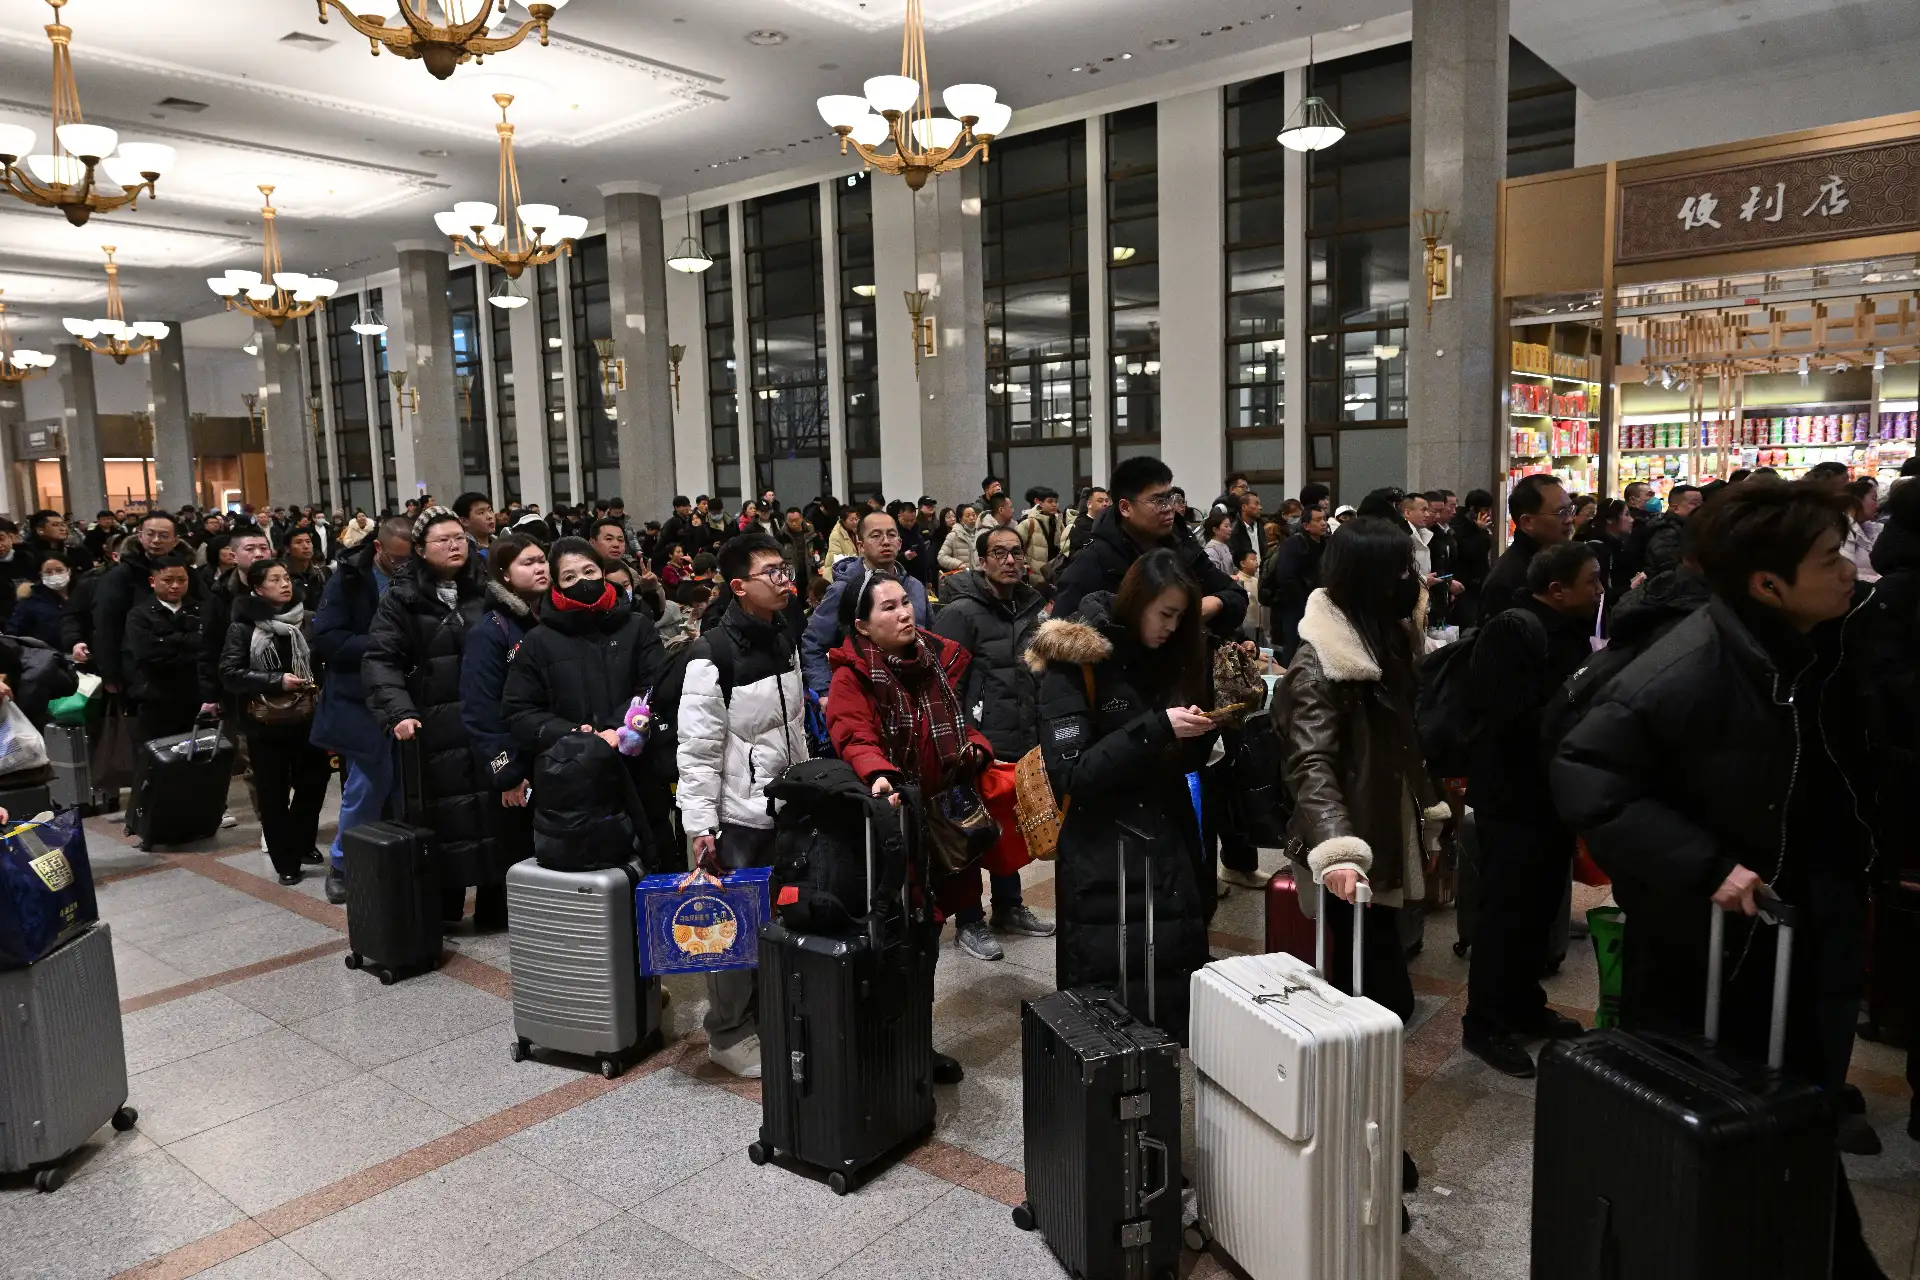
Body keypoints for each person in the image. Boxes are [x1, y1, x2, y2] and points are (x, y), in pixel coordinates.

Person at [1553, 479, 1895, 1280]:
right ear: (1767, 584)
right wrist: (1705, 866)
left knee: (1782, 1120)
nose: (1849, 567)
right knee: (1724, 1120)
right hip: (1716, 943)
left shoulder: (1800, 645)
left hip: (1783, 917)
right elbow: (1583, 771)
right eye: (1828, 557)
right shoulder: (1696, 660)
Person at [1030, 549, 1219, 1042]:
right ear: (1138, 602)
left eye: (1182, 617)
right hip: (1102, 857)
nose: (1173, 627)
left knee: (1169, 996)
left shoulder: (1169, 656)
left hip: (1167, 844)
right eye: (1166, 614)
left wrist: (1201, 736)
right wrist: (1158, 727)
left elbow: (1173, 762)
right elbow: (1072, 772)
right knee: (1105, 1014)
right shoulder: (1077, 661)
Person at [1275, 516, 1447, 1029]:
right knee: (1367, 965)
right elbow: (1310, 762)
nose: (1411, 583)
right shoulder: (1320, 663)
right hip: (1351, 824)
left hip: (1385, 809)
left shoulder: (1386, 639)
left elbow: (1402, 739)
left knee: (1380, 943)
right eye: (1400, 572)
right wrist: (1339, 849)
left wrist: (1427, 812)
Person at [824, 571, 990, 1086]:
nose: (905, 614)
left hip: (938, 821)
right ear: (863, 626)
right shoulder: (853, 675)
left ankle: (917, 1041)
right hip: (890, 826)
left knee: (926, 935)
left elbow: (956, 723)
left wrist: (976, 746)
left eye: (906, 603)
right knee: (888, 938)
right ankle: (877, 1047)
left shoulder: (933, 663)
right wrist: (878, 771)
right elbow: (851, 731)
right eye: (889, 608)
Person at [1460, 541, 1604, 1076]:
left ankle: (1524, 1004)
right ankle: (1485, 1023)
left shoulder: (1567, 631)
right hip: (1512, 796)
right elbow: (1511, 719)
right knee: (1505, 913)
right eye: (1591, 582)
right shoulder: (1513, 629)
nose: (1599, 591)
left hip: (1551, 795)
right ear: (1557, 589)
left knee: (1541, 908)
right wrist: (1575, 704)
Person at [675, 533, 807, 1079]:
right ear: (738, 587)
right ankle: (726, 1034)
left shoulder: (783, 634)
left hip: (783, 804)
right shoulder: (712, 655)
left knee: (775, 917)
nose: (783, 580)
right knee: (729, 930)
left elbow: (793, 725)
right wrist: (701, 827)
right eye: (770, 573)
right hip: (735, 815)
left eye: (784, 569)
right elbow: (698, 750)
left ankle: (763, 1016)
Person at [363, 507, 509, 930]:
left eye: (459, 538)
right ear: (421, 550)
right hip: (434, 725)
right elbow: (380, 661)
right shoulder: (401, 597)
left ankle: (495, 909)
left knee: (494, 810)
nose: (453, 545)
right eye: (442, 540)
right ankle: (443, 909)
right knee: (445, 818)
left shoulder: (488, 590)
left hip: (487, 722)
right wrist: (399, 713)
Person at [502, 536, 669, 868]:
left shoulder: (637, 626)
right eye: (569, 577)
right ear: (557, 585)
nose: (582, 581)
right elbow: (519, 711)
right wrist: (572, 734)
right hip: (571, 780)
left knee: (653, 861)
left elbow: (655, 684)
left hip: (638, 768)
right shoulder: (538, 641)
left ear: (603, 573)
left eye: (589, 571)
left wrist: (619, 728)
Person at [930, 524, 1054, 961]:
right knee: (971, 833)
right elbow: (942, 685)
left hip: (1021, 735)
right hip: (974, 742)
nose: (1009, 560)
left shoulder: (1033, 607)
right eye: (998, 553)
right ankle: (968, 920)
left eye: (1015, 552)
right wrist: (959, 740)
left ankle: (1009, 907)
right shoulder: (961, 613)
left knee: (1009, 829)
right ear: (982, 562)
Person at [311, 516, 411, 904]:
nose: (403, 567)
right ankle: (343, 865)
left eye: (410, 560)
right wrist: (384, 645)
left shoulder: (419, 577)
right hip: (359, 696)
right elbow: (330, 640)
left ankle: (398, 856)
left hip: (408, 692)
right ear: (378, 549)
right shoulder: (348, 579)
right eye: (397, 560)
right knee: (368, 783)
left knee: (406, 783)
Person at [219, 559, 331, 886]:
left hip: (309, 717)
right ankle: (286, 859)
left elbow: (323, 661)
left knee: (314, 784)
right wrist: (276, 680)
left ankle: (303, 842)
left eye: (286, 577)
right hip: (266, 723)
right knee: (273, 792)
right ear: (256, 588)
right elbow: (230, 673)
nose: (284, 584)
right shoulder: (243, 627)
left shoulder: (307, 620)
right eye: (274, 579)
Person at [1052, 455, 1247, 638]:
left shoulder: (1183, 547)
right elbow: (1060, 638)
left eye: (1171, 498)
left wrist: (1215, 604)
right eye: (1158, 501)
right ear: (1125, 508)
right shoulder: (1094, 562)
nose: (1169, 508)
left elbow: (1235, 595)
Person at [459, 533, 547, 894]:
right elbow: (479, 707)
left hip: (548, 750)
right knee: (516, 853)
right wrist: (507, 771)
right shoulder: (492, 629)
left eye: (542, 559)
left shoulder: (549, 618)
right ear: (505, 575)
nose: (540, 567)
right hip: (516, 757)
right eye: (528, 563)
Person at [802, 509, 932, 697]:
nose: (885, 541)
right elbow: (813, 643)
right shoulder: (843, 590)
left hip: (913, 693)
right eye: (876, 536)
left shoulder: (915, 588)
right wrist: (825, 692)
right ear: (861, 546)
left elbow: (929, 637)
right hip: (861, 695)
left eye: (891, 535)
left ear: (900, 543)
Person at [93, 513, 200, 696]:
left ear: (175, 540)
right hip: (138, 667)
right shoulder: (121, 575)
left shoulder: (187, 572)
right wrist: (109, 673)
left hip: (187, 666)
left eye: (164, 536)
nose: (156, 540)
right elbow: (106, 625)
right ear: (140, 535)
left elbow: (206, 611)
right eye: (150, 534)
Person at [122, 554, 206, 747]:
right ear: (153, 581)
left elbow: (207, 648)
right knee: (159, 754)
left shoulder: (199, 610)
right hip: (156, 696)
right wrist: (187, 642)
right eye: (168, 580)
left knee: (195, 752)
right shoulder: (140, 614)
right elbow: (147, 652)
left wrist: (169, 642)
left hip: (194, 694)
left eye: (181, 580)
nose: (175, 586)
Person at [1482, 474, 1573, 612]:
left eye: (1570, 510)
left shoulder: (1558, 559)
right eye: (1561, 512)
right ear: (1527, 522)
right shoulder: (1506, 580)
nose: (1569, 519)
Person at [1262, 503, 1329, 662]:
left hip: (1319, 605)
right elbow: (1286, 577)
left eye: (1324, 519)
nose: (1323, 523)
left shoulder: (1327, 543)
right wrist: (1303, 602)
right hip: (1294, 606)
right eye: (1318, 520)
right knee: (1292, 649)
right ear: (1306, 525)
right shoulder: (1293, 545)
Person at [1633, 483, 1701, 581]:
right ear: (1676, 507)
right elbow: (1668, 571)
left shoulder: (1684, 527)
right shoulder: (1666, 533)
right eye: (1694, 503)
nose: (1700, 507)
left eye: (1701, 503)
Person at [8, 554, 70, 649]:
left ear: (69, 571)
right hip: (46, 656)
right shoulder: (29, 601)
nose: (54, 575)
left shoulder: (82, 594)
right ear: (41, 575)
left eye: (59, 570)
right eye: (48, 572)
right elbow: (12, 634)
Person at [1015, 487, 1063, 585]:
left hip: (1054, 577)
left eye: (1056, 502)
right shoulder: (1028, 523)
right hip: (1034, 578)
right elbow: (1016, 547)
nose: (1054, 505)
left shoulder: (1059, 523)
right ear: (1040, 503)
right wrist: (1024, 566)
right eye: (1050, 501)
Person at [1845, 477, 1882, 584]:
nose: (1877, 505)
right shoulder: (1843, 531)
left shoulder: (1871, 527)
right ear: (1857, 500)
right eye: (1874, 499)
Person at [283, 528, 329, 611]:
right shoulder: (282, 575)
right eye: (299, 542)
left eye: (308, 542)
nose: (305, 546)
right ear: (287, 549)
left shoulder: (320, 572)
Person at [775, 507, 817, 587]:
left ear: (801, 518)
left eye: (796, 520)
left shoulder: (811, 532)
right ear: (786, 521)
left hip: (810, 572)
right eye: (790, 521)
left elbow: (821, 548)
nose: (794, 524)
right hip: (791, 575)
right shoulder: (781, 536)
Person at [1066, 486, 1109, 559]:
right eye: (1100, 501)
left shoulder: (1108, 522)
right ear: (1089, 504)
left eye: (1107, 501)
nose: (1105, 504)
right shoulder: (1080, 525)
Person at [938, 504, 980, 574]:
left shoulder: (981, 533)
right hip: (962, 578)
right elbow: (941, 557)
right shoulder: (953, 535)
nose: (972, 517)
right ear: (960, 519)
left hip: (980, 577)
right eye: (968, 515)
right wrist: (959, 564)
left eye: (973, 514)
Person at [824, 507, 860, 575]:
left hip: (853, 571)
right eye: (851, 519)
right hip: (838, 573)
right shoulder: (836, 534)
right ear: (843, 521)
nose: (855, 522)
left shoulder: (856, 531)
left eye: (856, 519)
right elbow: (837, 558)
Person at [1202, 508, 1237, 577]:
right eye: (1226, 526)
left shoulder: (1225, 546)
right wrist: (1229, 578)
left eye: (1230, 526)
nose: (1230, 529)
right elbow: (1212, 575)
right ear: (1215, 529)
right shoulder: (1211, 549)